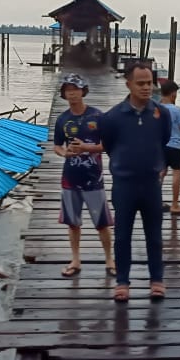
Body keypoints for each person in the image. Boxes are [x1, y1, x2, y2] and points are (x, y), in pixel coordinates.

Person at [100, 62, 172, 302]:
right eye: (140, 83)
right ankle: (122, 282)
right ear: (128, 84)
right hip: (124, 185)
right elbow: (109, 146)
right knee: (122, 236)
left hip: (151, 184)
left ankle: (157, 280)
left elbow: (164, 140)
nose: (146, 88)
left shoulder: (161, 114)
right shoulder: (113, 117)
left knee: (154, 235)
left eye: (149, 83)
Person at [52, 74, 115, 278]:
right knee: (73, 222)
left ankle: (109, 259)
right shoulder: (62, 119)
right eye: (68, 90)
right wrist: (65, 153)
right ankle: (75, 259)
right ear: (64, 94)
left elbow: (108, 144)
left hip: (93, 178)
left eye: (75, 89)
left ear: (83, 91)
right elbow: (57, 147)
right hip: (70, 178)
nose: (72, 93)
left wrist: (88, 147)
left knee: (102, 222)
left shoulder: (97, 117)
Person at [159, 80, 180, 216]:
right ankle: (175, 204)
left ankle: (157, 201)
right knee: (177, 175)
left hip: (161, 145)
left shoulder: (157, 108)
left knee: (161, 173)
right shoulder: (177, 110)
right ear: (173, 94)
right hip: (176, 146)